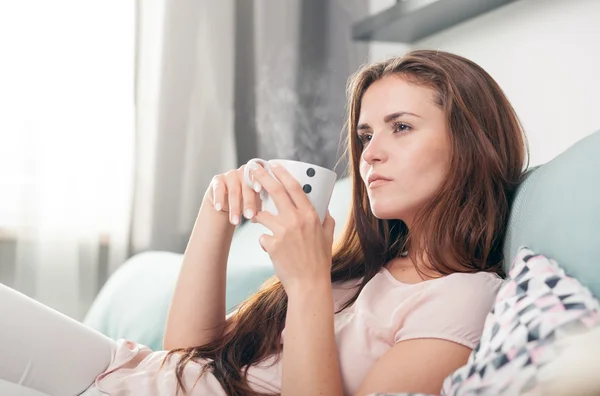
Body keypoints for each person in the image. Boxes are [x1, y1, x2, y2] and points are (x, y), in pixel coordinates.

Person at [0, 49, 527, 396]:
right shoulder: (361, 267)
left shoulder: (464, 298)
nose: (371, 154)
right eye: (366, 135)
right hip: (121, 369)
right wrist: (217, 214)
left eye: (402, 127)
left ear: (470, 141)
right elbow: (187, 355)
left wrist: (306, 281)